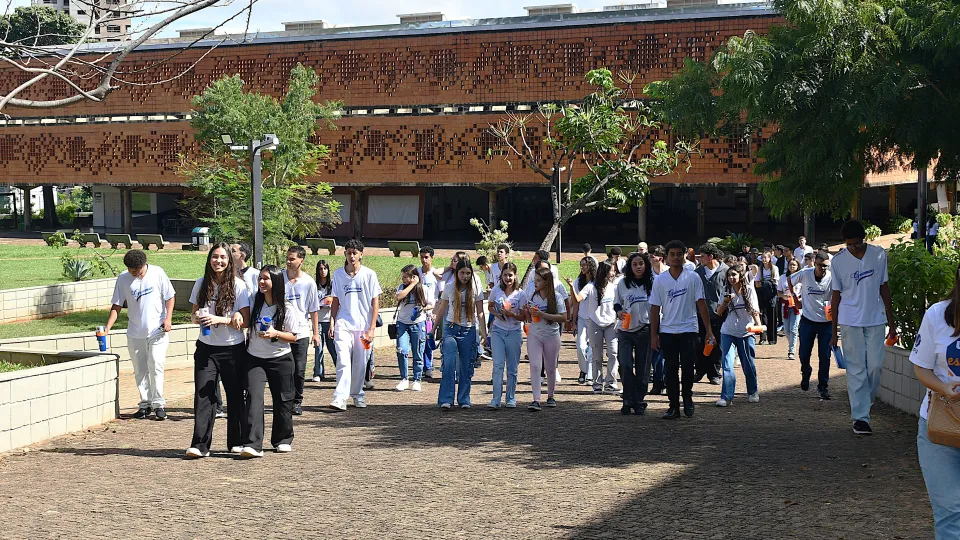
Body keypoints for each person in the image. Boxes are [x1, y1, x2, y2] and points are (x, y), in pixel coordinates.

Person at [908, 267, 960, 538]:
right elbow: (921, 367)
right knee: (950, 510)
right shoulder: (938, 314)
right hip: (940, 428)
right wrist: (943, 387)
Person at [185, 243, 250, 458]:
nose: (218, 261)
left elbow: (245, 320)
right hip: (206, 348)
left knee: (235, 396)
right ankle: (200, 445)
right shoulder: (201, 283)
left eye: (223, 257)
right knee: (204, 395)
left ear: (230, 260)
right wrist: (197, 318)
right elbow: (194, 314)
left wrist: (220, 319)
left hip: (233, 349)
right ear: (209, 259)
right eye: (215, 257)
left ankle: (237, 442)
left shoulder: (239, 286)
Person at [830, 220, 895, 435]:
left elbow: (884, 287)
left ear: (864, 238)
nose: (853, 248)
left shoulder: (878, 255)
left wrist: (892, 323)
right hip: (850, 321)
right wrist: (833, 331)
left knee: (875, 366)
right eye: (849, 245)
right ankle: (860, 418)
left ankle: (865, 402)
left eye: (856, 243)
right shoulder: (838, 261)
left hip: (875, 318)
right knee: (856, 370)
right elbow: (836, 296)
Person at [105, 249, 175, 421]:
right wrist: (107, 328)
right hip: (135, 332)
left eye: (136, 270)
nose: (133, 273)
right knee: (140, 369)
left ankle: (159, 404)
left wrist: (168, 319)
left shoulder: (158, 273)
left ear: (144, 265)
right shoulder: (123, 278)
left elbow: (170, 296)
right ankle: (145, 404)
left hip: (157, 330)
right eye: (130, 270)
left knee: (156, 363)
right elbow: (117, 305)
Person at [238, 265, 298, 459]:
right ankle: (253, 444)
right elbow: (244, 315)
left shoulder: (287, 307)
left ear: (276, 281)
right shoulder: (254, 301)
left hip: (281, 359)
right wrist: (238, 315)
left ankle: (282, 439)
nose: (262, 282)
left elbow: (294, 337)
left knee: (282, 400)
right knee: (254, 398)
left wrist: (276, 334)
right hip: (255, 359)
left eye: (266, 279)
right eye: (260, 279)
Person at [650, 240, 715, 419]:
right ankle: (673, 405)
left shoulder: (692, 277)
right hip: (668, 330)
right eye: (672, 254)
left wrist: (708, 330)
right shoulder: (660, 280)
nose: (676, 257)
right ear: (667, 257)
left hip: (689, 329)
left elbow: (701, 304)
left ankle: (687, 397)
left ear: (685, 255)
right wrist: (653, 334)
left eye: (679, 254)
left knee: (687, 367)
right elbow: (655, 308)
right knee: (670, 369)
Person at [328, 239, 382, 411]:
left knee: (361, 362)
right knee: (343, 361)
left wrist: (371, 328)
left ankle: (357, 395)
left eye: (355, 253)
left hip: (363, 327)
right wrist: (332, 321)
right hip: (343, 324)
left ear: (361, 254)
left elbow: (375, 302)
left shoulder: (369, 275)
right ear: (345, 254)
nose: (352, 256)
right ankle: (340, 398)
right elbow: (335, 300)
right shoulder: (338, 274)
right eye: (349, 252)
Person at [434, 258, 486, 409]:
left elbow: (480, 312)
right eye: (462, 273)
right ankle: (446, 399)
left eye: (468, 273)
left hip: (468, 329)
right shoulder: (450, 287)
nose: (465, 276)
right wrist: (434, 328)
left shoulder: (475, 289)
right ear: (457, 273)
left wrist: (484, 332)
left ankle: (464, 399)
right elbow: (442, 309)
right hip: (451, 328)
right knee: (449, 363)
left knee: (465, 365)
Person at [787, 250, 833, 400]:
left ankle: (823, 386)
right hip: (808, 320)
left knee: (825, 356)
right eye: (820, 265)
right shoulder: (806, 274)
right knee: (804, 353)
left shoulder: (832, 278)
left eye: (826, 266)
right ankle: (806, 371)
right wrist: (795, 298)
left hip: (826, 322)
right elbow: (789, 280)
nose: (823, 269)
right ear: (815, 263)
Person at [715, 263, 762, 407]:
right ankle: (726, 396)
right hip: (727, 331)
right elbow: (718, 311)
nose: (731, 278)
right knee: (727, 365)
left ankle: (753, 391)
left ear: (741, 275)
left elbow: (754, 311)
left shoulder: (748, 290)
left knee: (748, 364)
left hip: (746, 332)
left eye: (734, 275)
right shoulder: (725, 290)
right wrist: (726, 301)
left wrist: (758, 325)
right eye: (729, 275)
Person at [571, 260, 619, 394]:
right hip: (595, 324)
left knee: (614, 353)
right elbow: (577, 299)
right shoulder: (590, 287)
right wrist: (571, 286)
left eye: (614, 270)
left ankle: (610, 383)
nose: (613, 273)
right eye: (611, 270)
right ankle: (597, 384)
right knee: (597, 356)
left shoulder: (614, 286)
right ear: (604, 272)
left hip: (611, 324)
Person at [282, 246, 320, 416]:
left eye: (292, 259)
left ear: (301, 260)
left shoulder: (308, 282)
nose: (288, 262)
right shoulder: (278, 278)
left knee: (299, 368)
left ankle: (297, 401)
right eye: (287, 258)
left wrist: (316, 332)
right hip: (282, 332)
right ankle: (284, 400)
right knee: (283, 368)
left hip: (302, 332)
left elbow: (313, 309)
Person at [614, 252, 653, 415]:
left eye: (641, 264)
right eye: (635, 264)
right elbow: (617, 304)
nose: (638, 267)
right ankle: (627, 399)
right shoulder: (623, 283)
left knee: (643, 368)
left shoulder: (652, 283)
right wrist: (619, 312)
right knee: (625, 365)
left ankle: (639, 400)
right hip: (625, 331)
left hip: (645, 330)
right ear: (630, 267)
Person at [523, 267, 567, 411]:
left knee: (550, 367)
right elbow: (529, 318)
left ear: (547, 282)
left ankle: (551, 395)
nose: (535, 283)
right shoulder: (533, 297)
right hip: (535, 334)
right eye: (535, 280)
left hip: (551, 335)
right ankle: (536, 399)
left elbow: (563, 317)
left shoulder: (557, 297)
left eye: (538, 280)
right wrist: (527, 312)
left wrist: (543, 315)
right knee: (535, 365)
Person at [487, 262, 526, 408]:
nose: (507, 278)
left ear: (515, 276)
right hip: (498, 330)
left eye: (510, 275)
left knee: (512, 367)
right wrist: (498, 314)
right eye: (505, 275)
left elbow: (524, 316)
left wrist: (511, 314)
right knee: (497, 365)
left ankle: (510, 397)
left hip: (514, 332)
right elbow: (490, 306)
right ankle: (496, 398)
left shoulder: (520, 294)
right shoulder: (496, 290)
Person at [694, 243, 727, 385]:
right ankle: (700, 370)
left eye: (702, 256)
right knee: (699, 343)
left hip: (719, 314)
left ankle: (714, 373)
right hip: (700, 314)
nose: (700, 259)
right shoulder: (697, 272)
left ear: (710, 257)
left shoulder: (725, 271)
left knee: (717, 344)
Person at [394, 264, 428, 392]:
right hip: (403, 323)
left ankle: (417, 379)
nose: (403, 279)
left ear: (413, 277)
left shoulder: (423, 289)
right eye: (402, 277)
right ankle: (404, 378)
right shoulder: (402, 287)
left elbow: (431, 304)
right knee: (402, 350)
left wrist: (422, 308)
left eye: (405, 277)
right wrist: (411, 285)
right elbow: (398, 297)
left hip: (418, 323)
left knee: (418, 351)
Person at [566, 257, 597, 385]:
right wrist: (573, 320)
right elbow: (575, 302)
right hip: (582, 318)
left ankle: (588, 374)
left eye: (585, 265)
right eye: (581, 265)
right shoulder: (579, 281)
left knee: (591, 348)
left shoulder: (597, 283)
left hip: (595, 319)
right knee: (580, 346)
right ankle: (583, 370)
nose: (583, 267)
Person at [417, 246, 442, 378]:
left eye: (426, 257)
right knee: (418, 340)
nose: (424, 260)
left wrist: (436, 311)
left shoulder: (436, 275)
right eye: (422, 257)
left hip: (430, 313)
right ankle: (418, 365)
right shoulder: (416, 273)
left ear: (432, 258)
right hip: (418, 311)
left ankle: (428, 367)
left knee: (428, 339)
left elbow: (442, 295)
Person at [312, 260, 337, 382]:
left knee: (333, 347)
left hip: (330, 320)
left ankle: (340, 370)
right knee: (318, 348)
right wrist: (319, 305)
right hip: (318, 320)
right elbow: (310, 304)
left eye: (325, 269)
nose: (323, 271)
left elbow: (337, 302)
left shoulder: (332, 285)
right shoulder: (314, 285)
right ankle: (318, 373)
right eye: (320, 269)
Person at [779, 258, 803, 360]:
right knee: (787, 330)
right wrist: (783, 296)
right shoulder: (783, 277)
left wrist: (799, 298)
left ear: (798, 266)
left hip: (796, 306)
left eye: (794, 265)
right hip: (785, 305)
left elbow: (804, 291)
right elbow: (779, 291)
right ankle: (791, 344)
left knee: (793, 329)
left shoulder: (801, 277)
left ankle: (791, 350)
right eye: (790, 265)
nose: (792, 267)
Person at [754, 251, 780, 345]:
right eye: (763, 258)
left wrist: (765, 283)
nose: (764, 259)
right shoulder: (760, 269)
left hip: (772, 294)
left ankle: (772, 338)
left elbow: (776, 282)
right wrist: (766, 283)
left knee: (772, 316)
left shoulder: (774, 268)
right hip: (762, 294)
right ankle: (762, 337)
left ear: (770, 258)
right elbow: (757, 283)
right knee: (763, 316)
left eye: (766, 257)